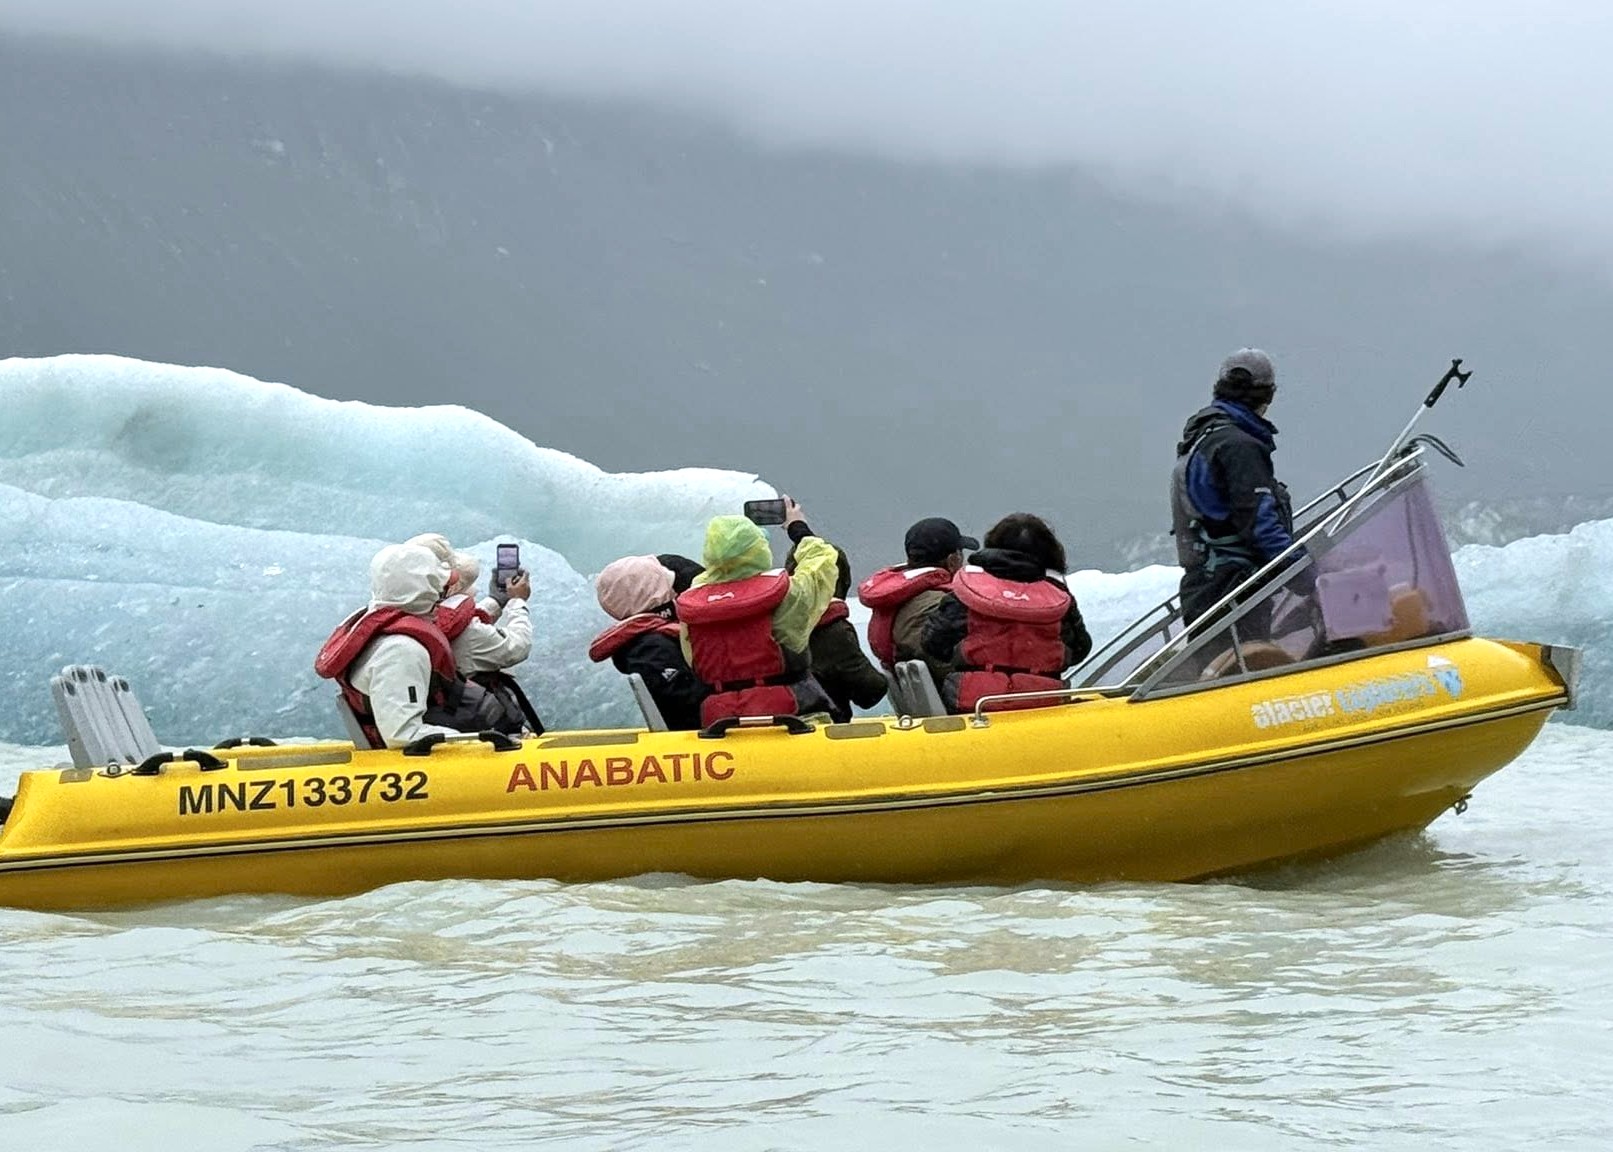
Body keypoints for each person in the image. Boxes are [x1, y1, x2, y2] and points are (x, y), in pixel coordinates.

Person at [315, 543, 516, 748]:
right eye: (440, 586)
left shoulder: (384, 626)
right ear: (426, 591)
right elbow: (402, 734)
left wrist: (496, 602)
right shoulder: (401, 651)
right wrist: (479, 742)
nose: (443, 593)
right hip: (422, 762)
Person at [677, 498, 838, 726]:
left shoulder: (692, 607)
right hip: (791, 718)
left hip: (721, 721)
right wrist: (797, 527)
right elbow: (821, 564)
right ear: (759, 549)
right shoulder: (787, 597)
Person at [1171, 348, 1296, 630]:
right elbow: (1259, 524)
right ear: (1268, 395)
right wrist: (1305, 573)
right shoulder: (1239, 447)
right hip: (1235, 590)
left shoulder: (1203, 437)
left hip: (1205, 589)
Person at [921, 513, 1092, 714]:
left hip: (975, 706)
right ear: (1049, 552)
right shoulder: (1058, 596)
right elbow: (1080, 648)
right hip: (1044, 704)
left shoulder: (971, 590)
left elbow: (933, 642)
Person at [589, 555, 710, 730]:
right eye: (669, 588)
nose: (676, 593)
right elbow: (691, 704)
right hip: (698, 742)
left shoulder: (653, 638)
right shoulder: (649, 648)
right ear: (650, 595)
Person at [857, 517, 977, 687]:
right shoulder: (940, 605)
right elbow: (942, 665)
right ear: (952, 561)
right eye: (961, 554)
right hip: (952, 698)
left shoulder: (899, 600)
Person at [438, 550, 544, 734]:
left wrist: (495, 601)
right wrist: (517, 602)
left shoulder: (424, 615)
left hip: (448, 713)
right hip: (478, 717)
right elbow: (517, 646)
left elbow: (457, 619)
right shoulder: (470, 633)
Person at [790, 542, 887, 723]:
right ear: (842, 581)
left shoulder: (772, 624)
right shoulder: (832, 630)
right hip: (822, 736)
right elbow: (869, 693)